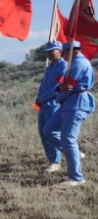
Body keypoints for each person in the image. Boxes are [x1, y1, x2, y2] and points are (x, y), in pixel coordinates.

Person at [44, 40, 95, 186]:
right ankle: (75, 154)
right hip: (68, 103)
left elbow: (67, 87)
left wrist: (60, 94)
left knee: (68, 139)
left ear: (69, 51)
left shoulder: (78, 63)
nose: (63, 56)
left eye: (63, 52)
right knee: (49, 130)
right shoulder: (73, 63)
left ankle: (76, 177)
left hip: (76, 102)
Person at [35, 41, 67, 172]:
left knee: (51, 132)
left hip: (54, 103)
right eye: (47, 52)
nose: (49, 54)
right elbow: (44, 85)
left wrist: (42, 98)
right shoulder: (49, 67)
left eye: (51, 51)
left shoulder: (63, 66)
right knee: (43, 133)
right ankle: (51, 159)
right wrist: (38, 97)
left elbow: (56, 87)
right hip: (43, 105)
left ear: (59, 51)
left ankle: (57, 160)